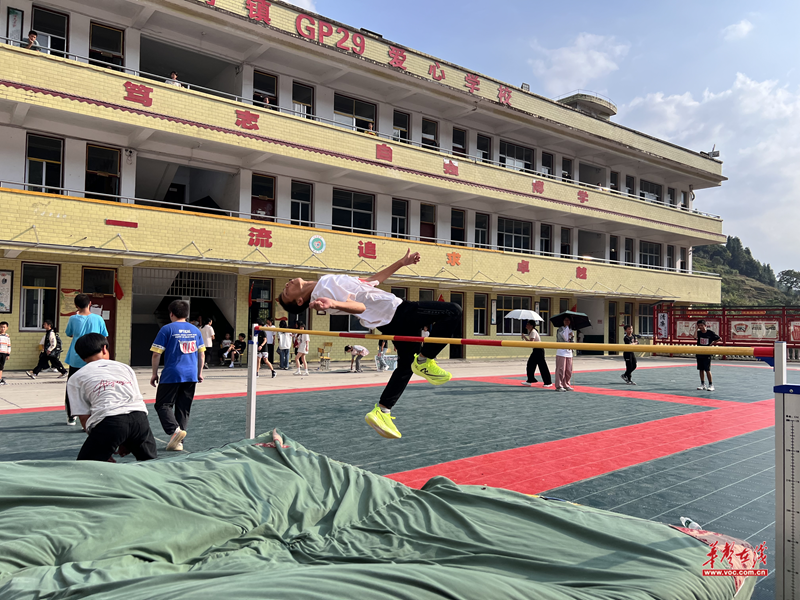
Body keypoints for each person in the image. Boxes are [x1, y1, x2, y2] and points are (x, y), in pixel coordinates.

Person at [277, 249, 461, 439]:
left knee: (406, 365)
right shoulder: (324, 289)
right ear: (300, 300)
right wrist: (333, 303)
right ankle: (425, 359)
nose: (287, 284)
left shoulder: (325, 285)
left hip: (387, 319)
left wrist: (401, 262)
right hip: (397, 312)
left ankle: (383, 411)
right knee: (453, 311)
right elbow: (361, 308)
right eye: (286, 291)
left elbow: (370, 282)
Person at [68, 333, 157, 462]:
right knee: (151, 462)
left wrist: (102, 445)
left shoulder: (76, 378)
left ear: (81, 358)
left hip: (110, 421)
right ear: (104, 349)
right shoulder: (125, 368)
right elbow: (136, 399)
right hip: (140, 419)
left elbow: (84, 417)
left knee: (86, 464)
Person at [150, 299, 205, 451]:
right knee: (183, 408)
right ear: (187, 314)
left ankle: (175, 431)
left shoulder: (167, 329)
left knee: (162, 404)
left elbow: (156, 354)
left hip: (172, 374)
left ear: (171, 314)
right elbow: (201, 354)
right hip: (191, 374)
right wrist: (199, 372)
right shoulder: (195, 330)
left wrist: (154, 373)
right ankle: (179, 443)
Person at [64, 294, 109, 426]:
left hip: (77, 357)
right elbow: (104, 336)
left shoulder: (73, 318)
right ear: (90, 303)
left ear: (76, 305)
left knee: (72, 386)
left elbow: (69, 333)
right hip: (95, 357)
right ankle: (97, 413)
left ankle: (72, 416)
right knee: (96, 385)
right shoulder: (98, 319)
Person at [521, 320, 552, 387]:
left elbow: (531, 342)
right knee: (530, 365)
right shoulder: (531, 332)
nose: (526, 325)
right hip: (536, 350)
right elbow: (531, 343)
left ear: (531, 326)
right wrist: (524, 337)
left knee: (542, 366)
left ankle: (548, 382)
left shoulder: (533, 332)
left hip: (539, 350)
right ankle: (530, 379)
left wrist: (525, 337)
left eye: (528, 324)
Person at [696, 320, 720, 391]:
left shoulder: (710, 333)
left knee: (707, 369)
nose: (700, 327)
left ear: (705, 325)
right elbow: (694, 337)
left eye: (701, 325)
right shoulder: (699, 333)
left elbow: (719, 338)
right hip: (699, 352)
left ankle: (711, 384)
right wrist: (695, 329)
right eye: (699, 325)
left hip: (707, 353)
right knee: (700, 369)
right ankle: (702, 384)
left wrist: (712, 343)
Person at [555, 316, 574, 392]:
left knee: (568, 369)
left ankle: (566, 384)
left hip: (569, 352)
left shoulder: (571, 330)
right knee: (561, 369)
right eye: (565, 320)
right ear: (563, 321)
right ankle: (559, 385)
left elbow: (572, 341)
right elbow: (560, 339)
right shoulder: (560, 330)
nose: (567, 321)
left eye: (568, 320)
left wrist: (572, 337)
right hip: (561, 351)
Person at [0, 321, 10, 386]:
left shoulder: (7, 336)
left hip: (4, 353)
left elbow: (8, 345)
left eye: (4, 327)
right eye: (1, 327)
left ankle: (0, 378)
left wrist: (8, 354)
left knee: (1, 366)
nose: (2, 328)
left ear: (7, 328)